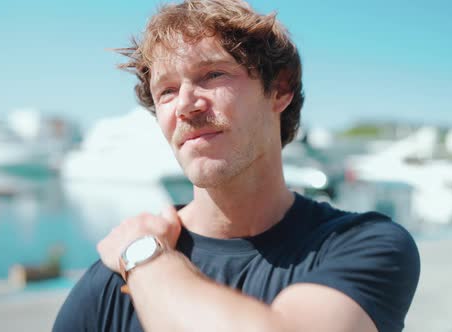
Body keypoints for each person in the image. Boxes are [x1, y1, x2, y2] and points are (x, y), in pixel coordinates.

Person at [53, 0, 420, 331]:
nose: (185, 105)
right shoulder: (105, 286)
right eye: (165, 91)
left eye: (213, 75)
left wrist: (146, 259)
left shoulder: (363, 246)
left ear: (279, 90)